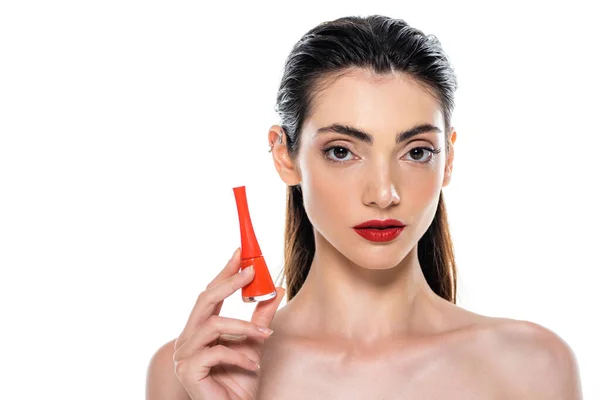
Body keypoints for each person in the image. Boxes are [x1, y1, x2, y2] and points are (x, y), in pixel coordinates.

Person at [146, 14, 582, 399]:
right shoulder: (193, 370)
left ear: (448, 159)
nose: (383, 192)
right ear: (285, 156)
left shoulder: (533, 367)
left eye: (416, 152)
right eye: (342, 151)